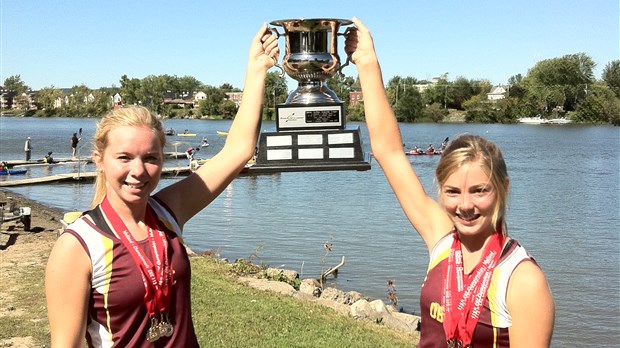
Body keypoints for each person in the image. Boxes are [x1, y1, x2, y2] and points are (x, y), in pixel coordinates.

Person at [45, 23, 279, 347]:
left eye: (150, 158)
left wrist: (256, 71)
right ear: (99, 159)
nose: (138, 171)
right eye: (124, 157)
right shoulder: (77, 246)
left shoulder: (168, 212)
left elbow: (238, 151)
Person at [345, 18, 554, 347]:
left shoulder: (522, 279)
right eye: (453, 192)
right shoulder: (441, 239)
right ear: (440, 191)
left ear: (503, 189)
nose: (465, 205)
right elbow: (388, 151)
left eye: (479, 190)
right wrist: (368, 64)